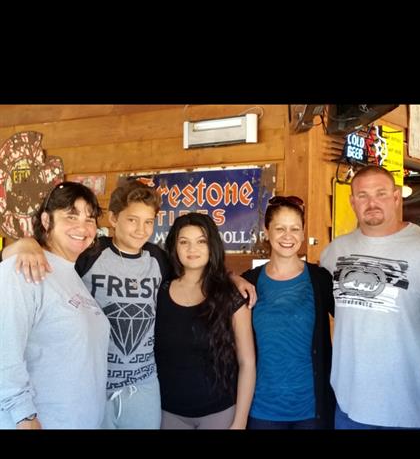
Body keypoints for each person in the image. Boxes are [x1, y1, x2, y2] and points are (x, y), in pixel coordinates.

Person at [1, 178, 257, 429]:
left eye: (148, 222)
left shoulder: (157, 259)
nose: (140, 229)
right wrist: (23, 245)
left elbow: (193, 267)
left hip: (142, 386)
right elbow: (51, 259)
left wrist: (233, 279)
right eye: (132, 220)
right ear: (113, 219)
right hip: (96, 388)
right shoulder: (89, 252)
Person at [320, 165, 420, 428]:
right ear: (352, 202)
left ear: (395, 197)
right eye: (363, 195)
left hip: (411, 408)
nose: (372, 203)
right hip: (349, 407)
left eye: (381, 193)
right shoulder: (334, 252)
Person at [0, 182, 110, 429]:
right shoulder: (21, 268)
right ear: (47, 221)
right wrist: (24, 417)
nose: (82, 227)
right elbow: (4, 347)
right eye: (71, 216)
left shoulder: (71, 273)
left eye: (90, 219)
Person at [242, 195, 335, 429]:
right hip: (262, 408)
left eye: (295, 229)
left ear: (303, 233)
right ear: (267, 231)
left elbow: (353, 323)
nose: (288, 236)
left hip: (311, 409)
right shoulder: (248, 282)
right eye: (280, 228)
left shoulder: (320, 279)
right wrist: (231, 278)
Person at [155, 213, 256, 429]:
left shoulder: (232, 296)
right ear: (174, 246)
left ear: (212, 246)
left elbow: (247, 363)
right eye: (184, 242)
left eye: (201, 241)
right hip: (168, 412)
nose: (192, 249)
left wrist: (240, 421)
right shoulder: (159, 293)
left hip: (219, 412)